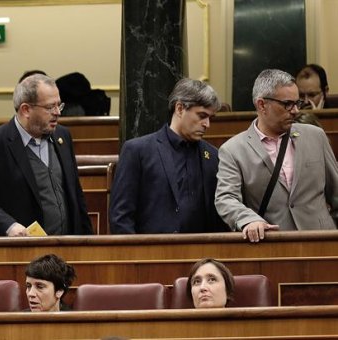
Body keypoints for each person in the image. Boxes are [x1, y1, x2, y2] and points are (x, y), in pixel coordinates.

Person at [215, 69, 338, 243]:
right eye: (287, 104)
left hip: (321, 243)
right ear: (261, 105)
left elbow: (336, 192)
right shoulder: (233, 150)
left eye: (297, 103)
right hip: (273, 245)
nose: (295, 111)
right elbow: (226, 198)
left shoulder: (316, 136)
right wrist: (249, 220)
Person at [0, 74, 92, 236]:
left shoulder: (62, 136)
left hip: (66, 247)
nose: (58, 112)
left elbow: (75, 194)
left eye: (59, 105)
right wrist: (8, 225)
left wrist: (87, 239)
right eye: (50, 107)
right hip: (19, 250)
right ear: (26, 109)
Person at [109, 78, 228, 234]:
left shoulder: (213, 156)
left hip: (201, 253)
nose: (207, 124)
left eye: (210, 118)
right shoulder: (137, 151)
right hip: (150, 254)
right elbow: (121, 217)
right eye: (201, 115)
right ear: (179, 108)